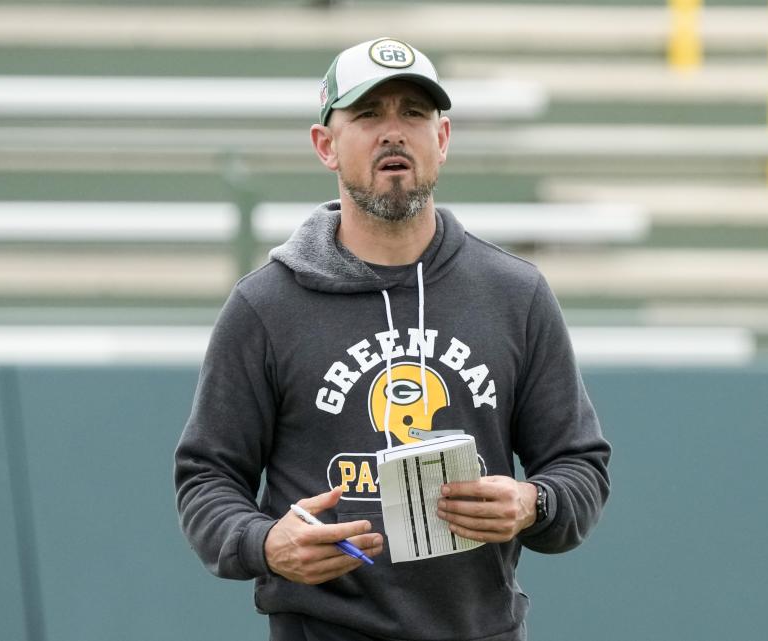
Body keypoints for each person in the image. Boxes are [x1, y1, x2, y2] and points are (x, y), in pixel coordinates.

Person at [174, 37, 611, 641]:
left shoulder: (515, 293)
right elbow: (206, 476)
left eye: (413, 113)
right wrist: (265, 543)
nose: (393, 131)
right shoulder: (266, 305)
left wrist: (534, 503)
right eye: (368, 114)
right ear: (325, 145)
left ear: (443, 139)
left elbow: (579, 465)